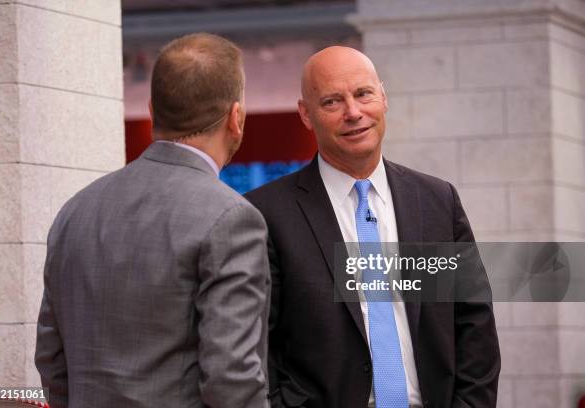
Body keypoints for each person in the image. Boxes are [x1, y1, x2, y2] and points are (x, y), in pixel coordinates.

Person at [245, 46, 500, 408]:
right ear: (306, 114)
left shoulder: (437, 201)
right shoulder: (266, 213)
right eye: (332, 102)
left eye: (363, 94)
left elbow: (474, 322)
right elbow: (258, 344)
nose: (354, 113)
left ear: (383, 97)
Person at [35, 33, 271, 408]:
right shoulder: (231, 219)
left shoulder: (75, 211)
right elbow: (231, 382)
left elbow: (51, 360)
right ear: (235, 118)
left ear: (151, 109)